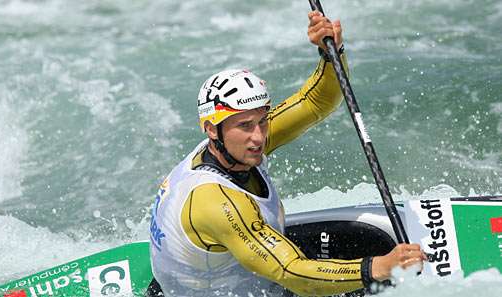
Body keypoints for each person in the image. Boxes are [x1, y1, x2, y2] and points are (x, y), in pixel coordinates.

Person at [147, 10, 426, 297]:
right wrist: (376, 268)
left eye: (262, 121)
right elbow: (291, 273)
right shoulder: (217, 203)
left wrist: (331, 53)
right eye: (245, 126)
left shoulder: (234, 147)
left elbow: (314, 103)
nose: (259, 136)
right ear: (211, 130)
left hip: (229, 274)